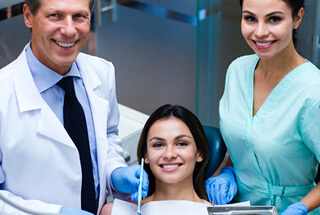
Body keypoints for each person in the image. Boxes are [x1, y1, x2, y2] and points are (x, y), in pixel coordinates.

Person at [0, 0, 148, 214]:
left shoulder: (102, 72)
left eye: (79, 16)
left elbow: (108, 137)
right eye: (55, 16)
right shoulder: (4, 95)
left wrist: (114, 173)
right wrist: (56, 213)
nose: (69, 30)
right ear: (28, 16)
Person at [206, 0, 320, 214]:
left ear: (297, 18)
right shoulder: (237, 70)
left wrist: (303, 206)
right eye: (250, 18)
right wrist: (227, 170)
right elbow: (247, 140)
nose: (260, 32)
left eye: (274, 19)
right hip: (239, 207)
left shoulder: (313, 92)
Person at [100, 104, 211, 215]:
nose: (169, 154)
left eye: (181, 143)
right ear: (146, 155)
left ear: (199, 153)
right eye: (158, 145)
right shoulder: (115, 211)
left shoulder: (219, 212)